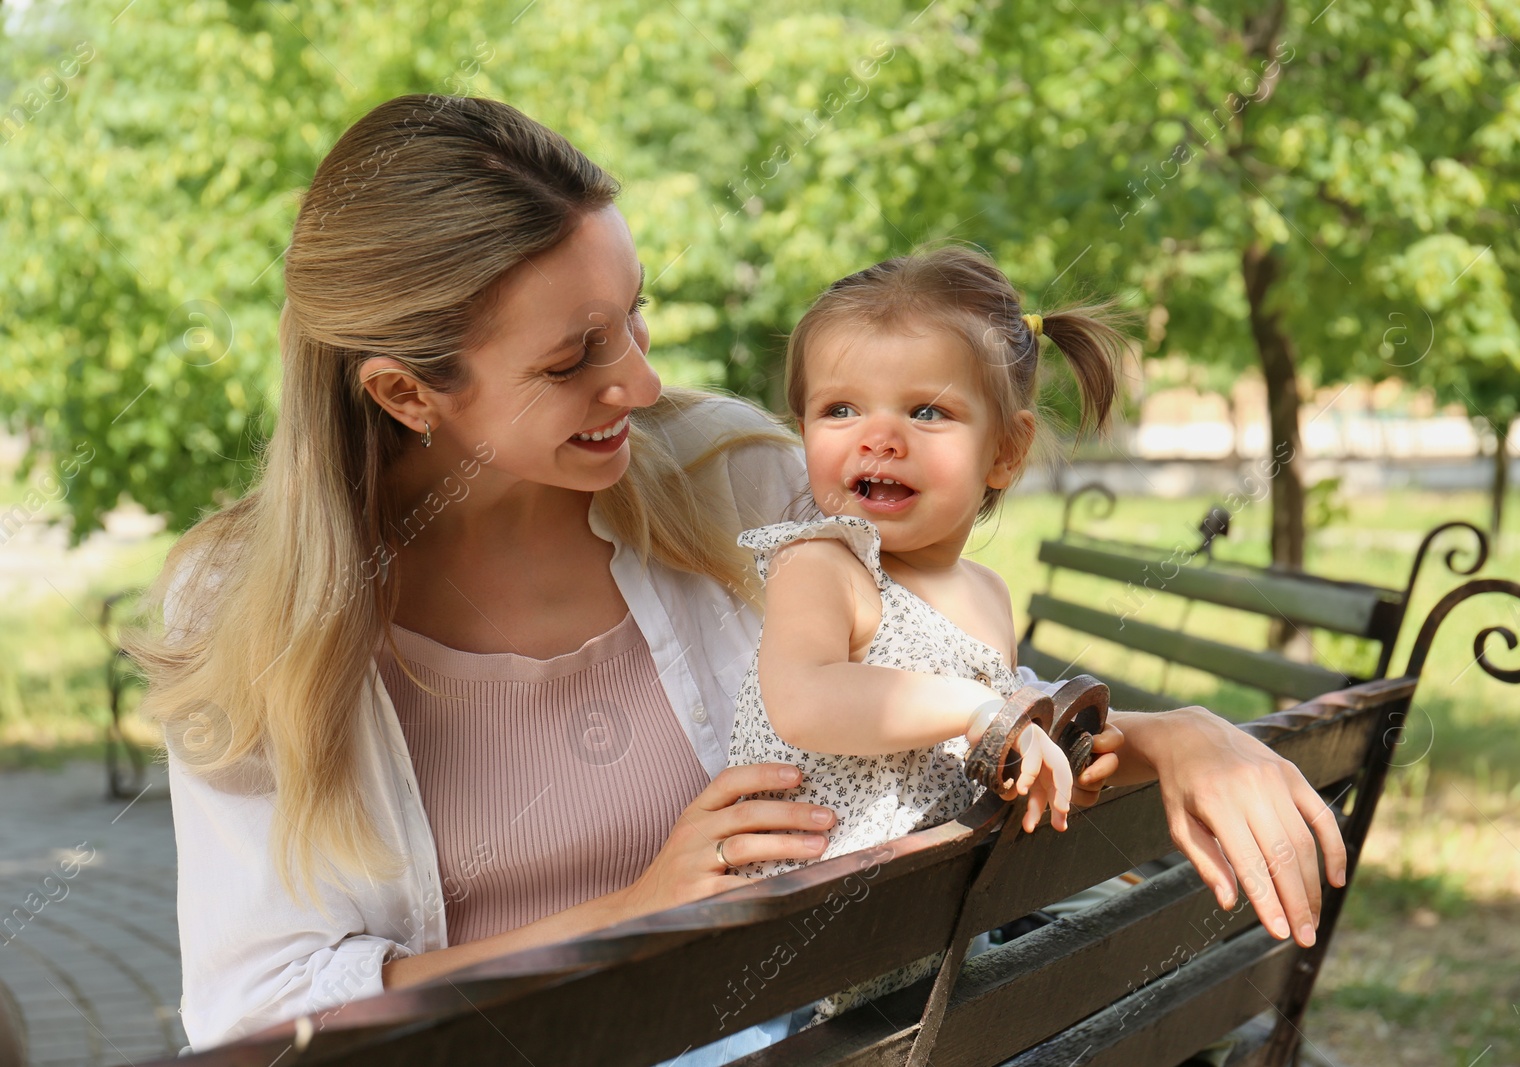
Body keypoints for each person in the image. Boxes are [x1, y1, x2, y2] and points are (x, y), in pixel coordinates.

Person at [126, 94, 1346, 1062]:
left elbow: (934, 718)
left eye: (634, 320)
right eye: (573, 359)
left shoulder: (726, 477)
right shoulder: (249, 613)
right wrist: (637, 909)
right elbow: (262, 1015)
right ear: (404, 392)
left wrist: (1173, 732)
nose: (642, 385)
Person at [723, 245, 1131, 1022]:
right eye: (840, 409)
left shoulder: (986, 594)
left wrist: (1035, 750)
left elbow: (975, 761)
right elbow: (805, 698)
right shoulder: (826, 563)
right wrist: (979, 711)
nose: (878, 436)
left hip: (917, 942)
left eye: (926, 411)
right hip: (786, 953)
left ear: (1005, 450)